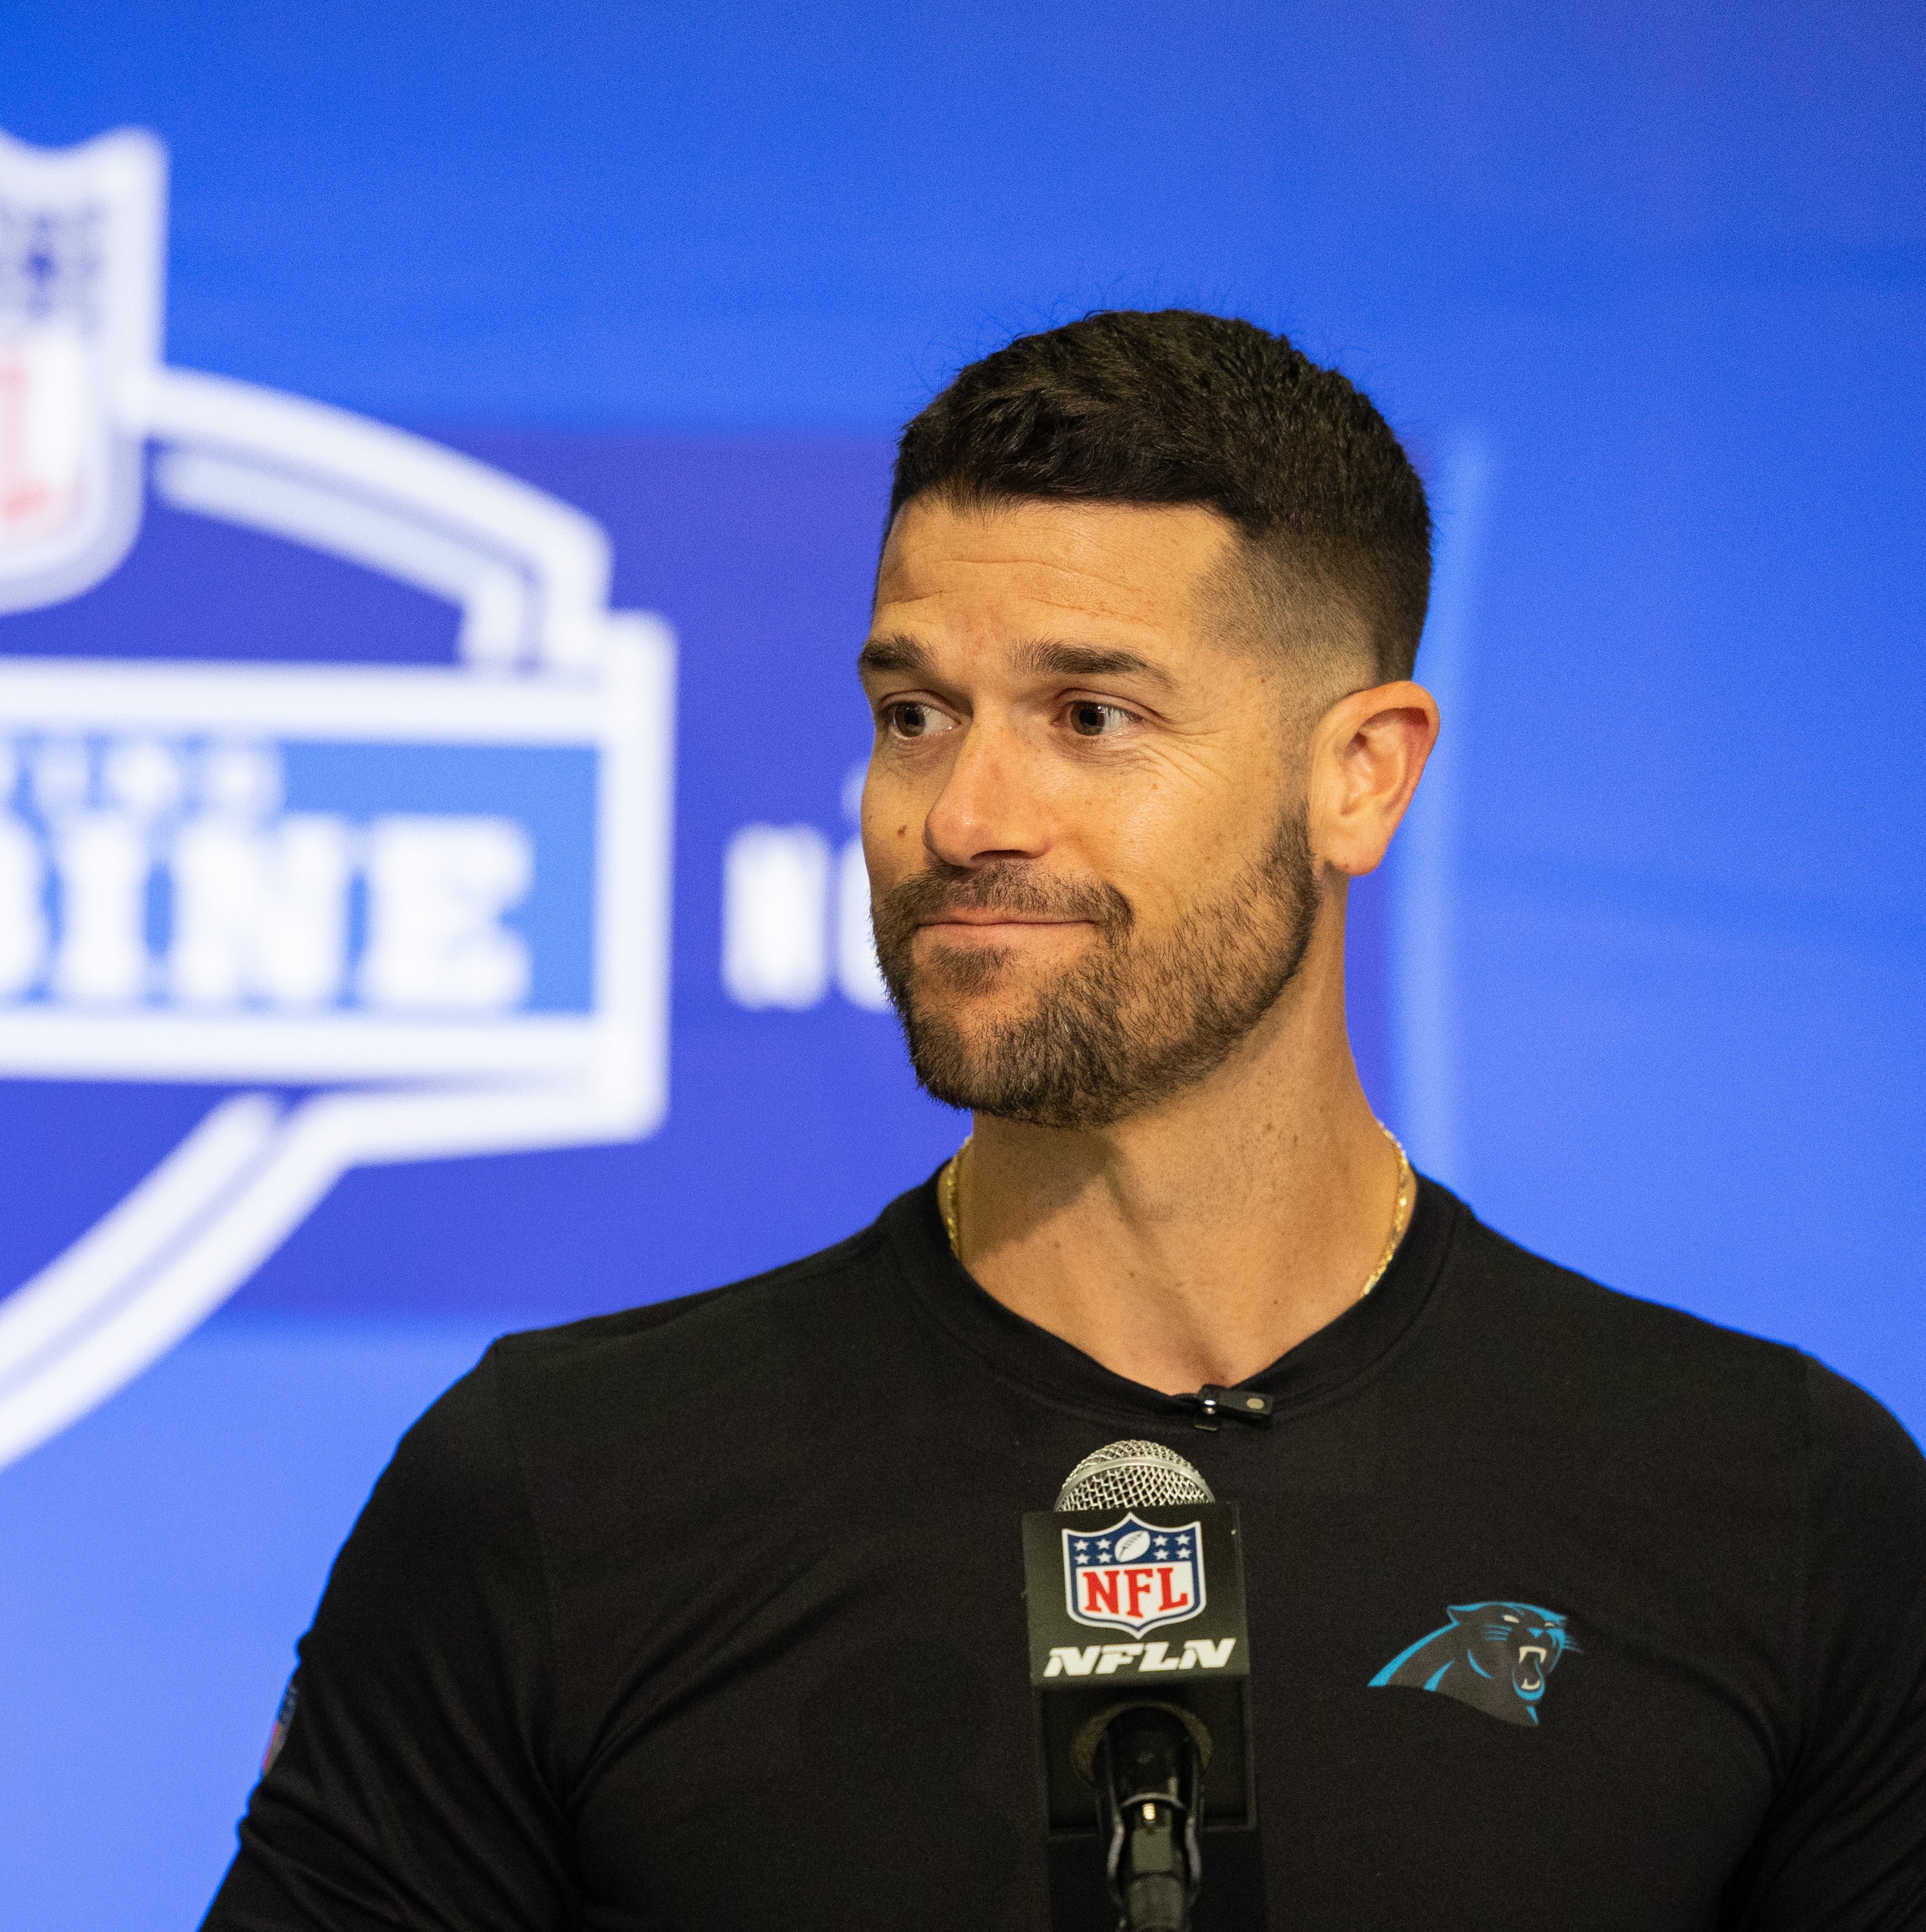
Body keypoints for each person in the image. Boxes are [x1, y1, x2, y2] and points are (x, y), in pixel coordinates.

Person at [200, 310, 1926, 1930]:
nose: (961, 815)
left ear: (1362, 776)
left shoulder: (1772, 1509)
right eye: (911, 716)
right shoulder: (552, 1494)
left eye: (1088, 718)